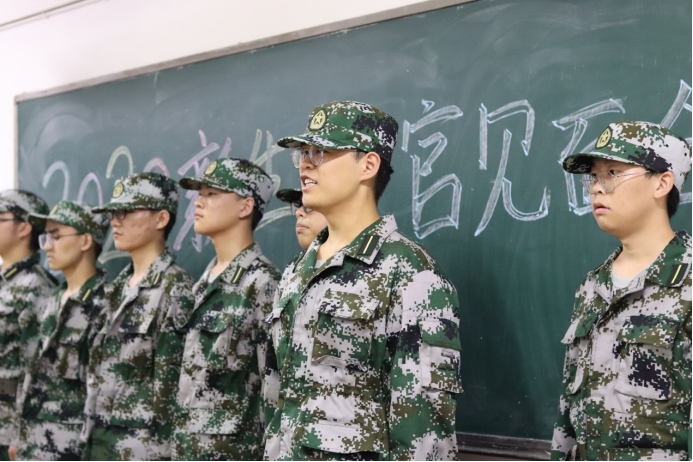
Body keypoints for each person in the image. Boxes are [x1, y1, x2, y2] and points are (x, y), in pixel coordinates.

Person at [263, 101, 462, 461]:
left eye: (321, 152)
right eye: (303, 153)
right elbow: (277, 401)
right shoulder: (296, 272)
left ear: (368, 165)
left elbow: (423, 428)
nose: (306, 164)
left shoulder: (410, 271)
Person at [552, 121, 692, 461]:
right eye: (593, 177)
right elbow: (568, 416)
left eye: (612, 173)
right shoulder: (591, 288)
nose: (596, 189)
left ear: (662, 183)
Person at [173, 158, 281, 460]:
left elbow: (273, 388)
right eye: (199, 194)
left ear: (245, 206)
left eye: (212, 194)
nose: (199, 202)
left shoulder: (263, 283)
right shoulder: (203, 284)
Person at [84, 173, 194, 461]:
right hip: (100, 442)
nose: (115, 221)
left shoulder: (174, 288)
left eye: (127, 211)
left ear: (161, 219)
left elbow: (171, 388)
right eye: (113, 213)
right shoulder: (116, 289)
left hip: (142, 449)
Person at [12, 201, 110, 461]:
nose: (46, 246)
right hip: (31, 444)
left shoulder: (104, 305)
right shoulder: (47, 301)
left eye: (56, 237)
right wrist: (18, 435)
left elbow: (101, 392)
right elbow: (28, 375)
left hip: (71, 448)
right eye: (46, 237)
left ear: (85, 241)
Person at [0, 190, 57, 462]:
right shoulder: (6, 282)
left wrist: (21, 434)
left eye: (0, 218)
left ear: (24, 228)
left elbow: (36, 369)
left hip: (8, 431)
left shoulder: (37, 287)